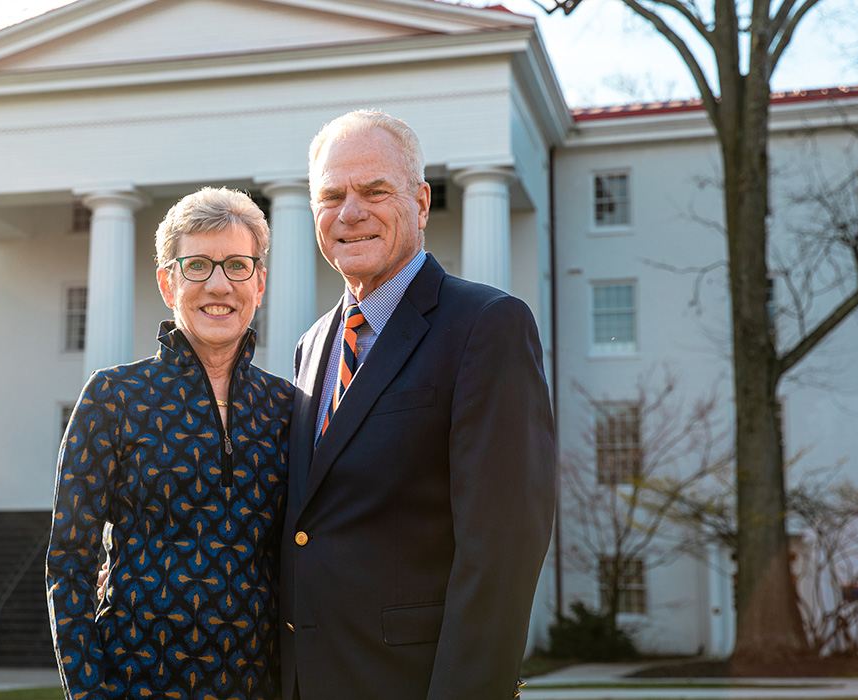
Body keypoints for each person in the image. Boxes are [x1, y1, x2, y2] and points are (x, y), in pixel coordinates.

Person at [280, 110, 556, 699]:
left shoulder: (486, 325)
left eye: (374, 191)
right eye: (331, 196)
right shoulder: (309, 346)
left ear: (422, 202)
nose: (350, 212)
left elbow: (502, 550)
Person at [47, 187, 293, 700]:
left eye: (237, 266)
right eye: (198, 266)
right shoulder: (113, 397)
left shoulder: (288, 408)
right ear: (168, 281)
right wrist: (92, 693)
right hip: (135, 683)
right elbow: (70, 561)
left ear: (260, 282)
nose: (220, 286)